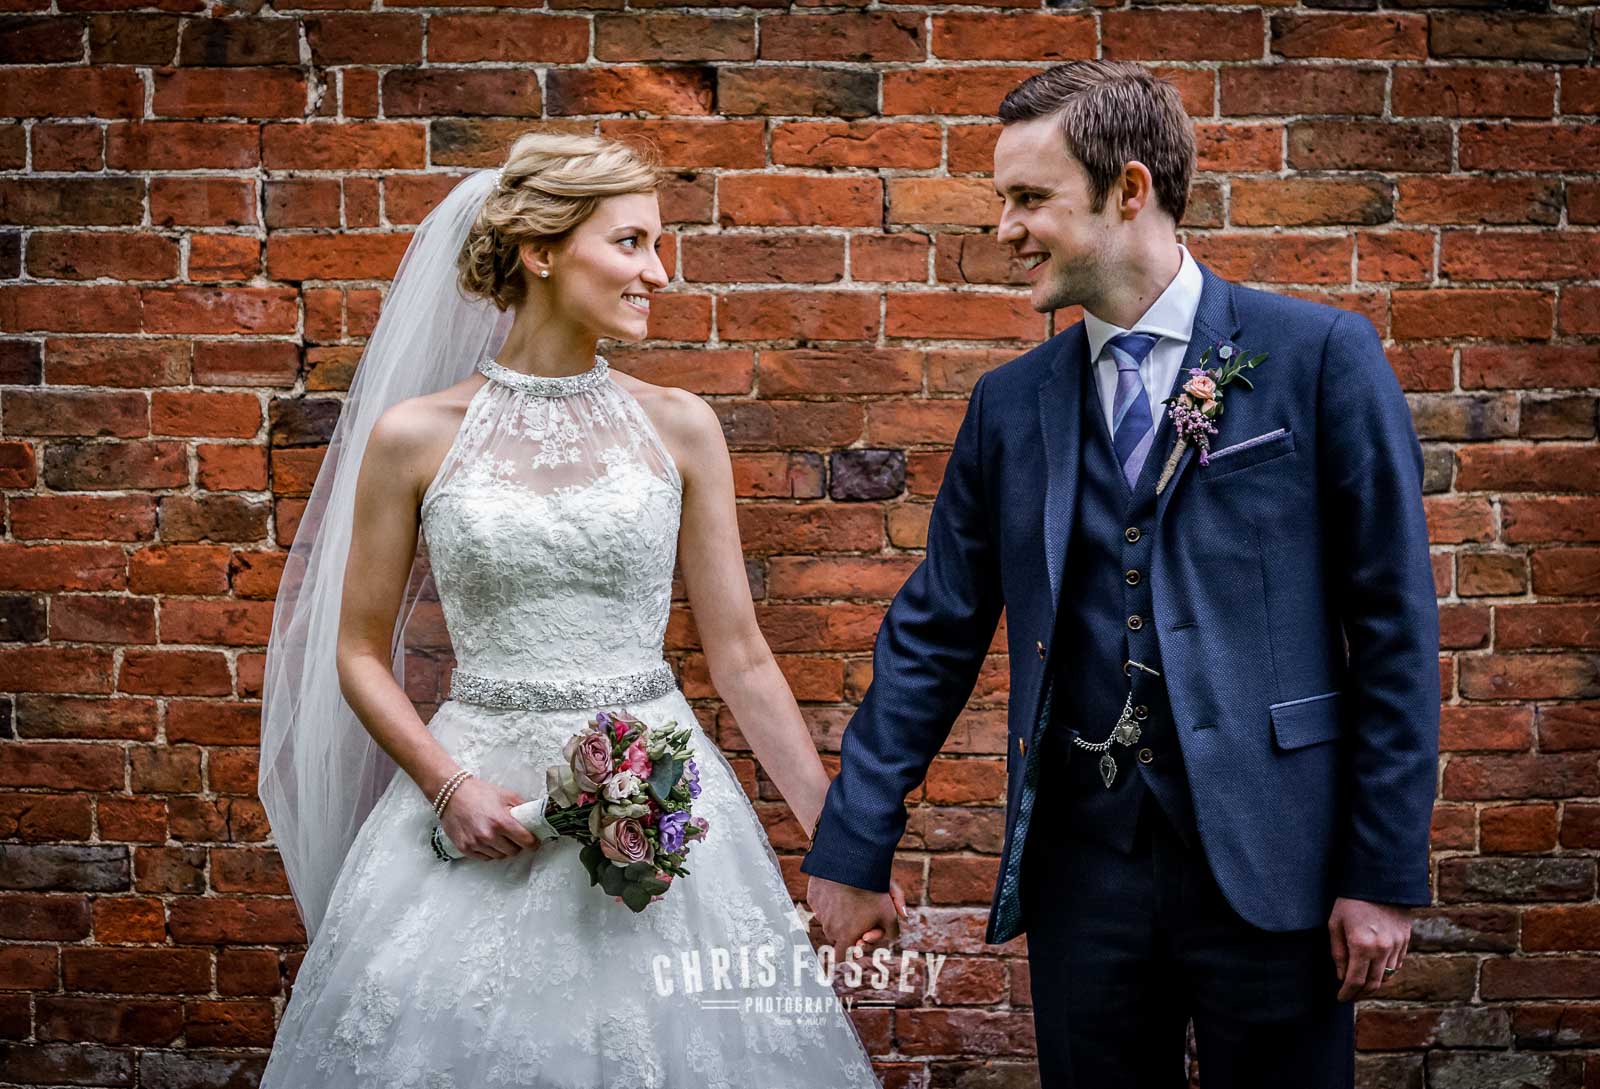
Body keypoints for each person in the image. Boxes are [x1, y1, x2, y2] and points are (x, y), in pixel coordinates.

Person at [801, 61, 1439, 1087]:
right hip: (1083, 873)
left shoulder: (1318, 355)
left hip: (1278, 862)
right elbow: (933, 632)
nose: (1004, 228)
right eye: (1001, 200)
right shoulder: (1010, 405)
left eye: (1028, 198)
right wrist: (852, 843)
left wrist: (1384, 869)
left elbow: (1396, 628)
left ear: (1128, 190)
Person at [257, 132, 893, 1088]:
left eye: (657, 246)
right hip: (482, 798)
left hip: (661, 798)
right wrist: (447, 787)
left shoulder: (680, 425)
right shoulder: (414, 437)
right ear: (541, 252)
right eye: (631, 242)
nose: (658, 272)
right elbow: (355, 651)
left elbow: (743, 657)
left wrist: (844, 848)